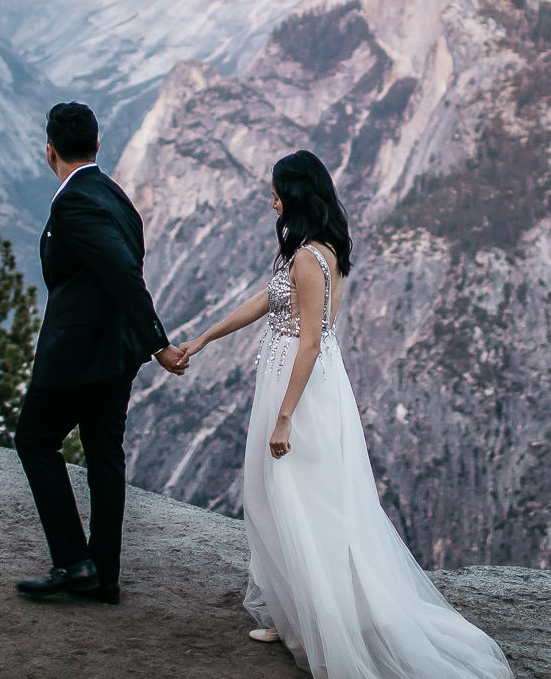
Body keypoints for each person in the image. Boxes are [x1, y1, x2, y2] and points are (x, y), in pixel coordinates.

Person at [176, 150, 513, 677]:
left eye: (277, 190)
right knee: (282, 500)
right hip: (302, 382)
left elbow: (310, 341)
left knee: (293, 503)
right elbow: (265, 301)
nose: (271, 198)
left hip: (298, 387)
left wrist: (285, 415)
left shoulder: (309, 259)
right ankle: (294, 614)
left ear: (296, 195)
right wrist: (203, 339)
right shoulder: (312, 250)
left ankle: (318, 626)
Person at [13, 101, 187, 606]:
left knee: (34, 441)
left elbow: (119, 271)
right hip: (115, 356)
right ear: (96, 146)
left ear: (50, 152)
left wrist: (161, 344)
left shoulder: (72, 203)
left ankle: (73, 562)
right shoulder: (114, 194)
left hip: (77, 357)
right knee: (105, 455)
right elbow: (125, 263)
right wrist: (144, 344)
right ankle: (104, 575)